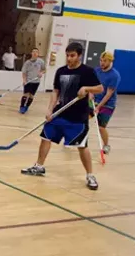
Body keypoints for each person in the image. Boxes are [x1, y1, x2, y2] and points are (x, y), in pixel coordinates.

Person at [21, 42, 103, 190]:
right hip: (60, 112)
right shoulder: (61, 71)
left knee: (82, 146)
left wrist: (86, 88)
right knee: (45, 137)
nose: (69, 58)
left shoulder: (87, 72)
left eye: (72, 55)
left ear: (79, 56)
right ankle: (39, 166)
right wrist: (50, 109)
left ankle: (90, 174)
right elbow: (56, 92)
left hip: (78, 117)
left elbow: (100, 88)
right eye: (67, 55)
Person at [93, 51, 121, 154]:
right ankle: (79, 140)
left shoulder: (114, 75)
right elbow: (93, 84)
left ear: (110, 61)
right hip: (94, 101)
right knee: (82, 120)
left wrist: (98, 107)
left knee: (101, 127)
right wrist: (91, 94)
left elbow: (108, 94)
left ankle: (106, 145)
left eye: (105, 61)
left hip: (108, 105)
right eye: (101, 60)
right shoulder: (97, 71)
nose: (102, 63)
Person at [19, 48, 46, 114]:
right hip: (28, 81)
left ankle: (27, 106)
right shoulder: (27, 63)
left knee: (31, 95)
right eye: (33, 52)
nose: (34, 53)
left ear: (38, 54)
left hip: (36, 82)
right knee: (26, 94)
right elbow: (24, 73)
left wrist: (41, 73)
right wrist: (24, 80)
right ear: (31, 53)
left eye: (36, 52)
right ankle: (22, 107)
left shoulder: (41, 61)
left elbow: (44, 69)